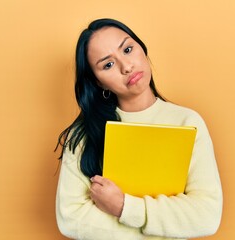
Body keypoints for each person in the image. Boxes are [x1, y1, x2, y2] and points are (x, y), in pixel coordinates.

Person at [55, 18, 223, 240]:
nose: (127, 66)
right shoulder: (83, 135)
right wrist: (164, 224)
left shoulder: (188, 121)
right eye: (108, 64)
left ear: (142, 48)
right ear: (99, 82)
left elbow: (207, 216)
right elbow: (70, 219)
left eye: (127, 49)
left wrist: (123, 207)